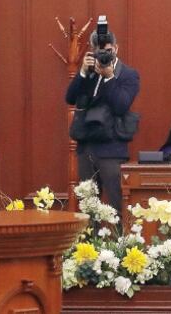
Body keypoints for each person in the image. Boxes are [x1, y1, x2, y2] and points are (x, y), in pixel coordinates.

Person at [65, 27, 140, 213]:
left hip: (112, 148)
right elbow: (70, 98)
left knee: (115, 203)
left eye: (108, 50)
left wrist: (109, 77)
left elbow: (121, 106)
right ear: (92, 49)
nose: (104, 55)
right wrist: (82, 72)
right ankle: (89, 241)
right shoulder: (88, 72)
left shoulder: (128, 75)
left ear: (116, 48)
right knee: (88, 204)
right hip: (87, 145)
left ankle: (117, 241)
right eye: (99, 51)